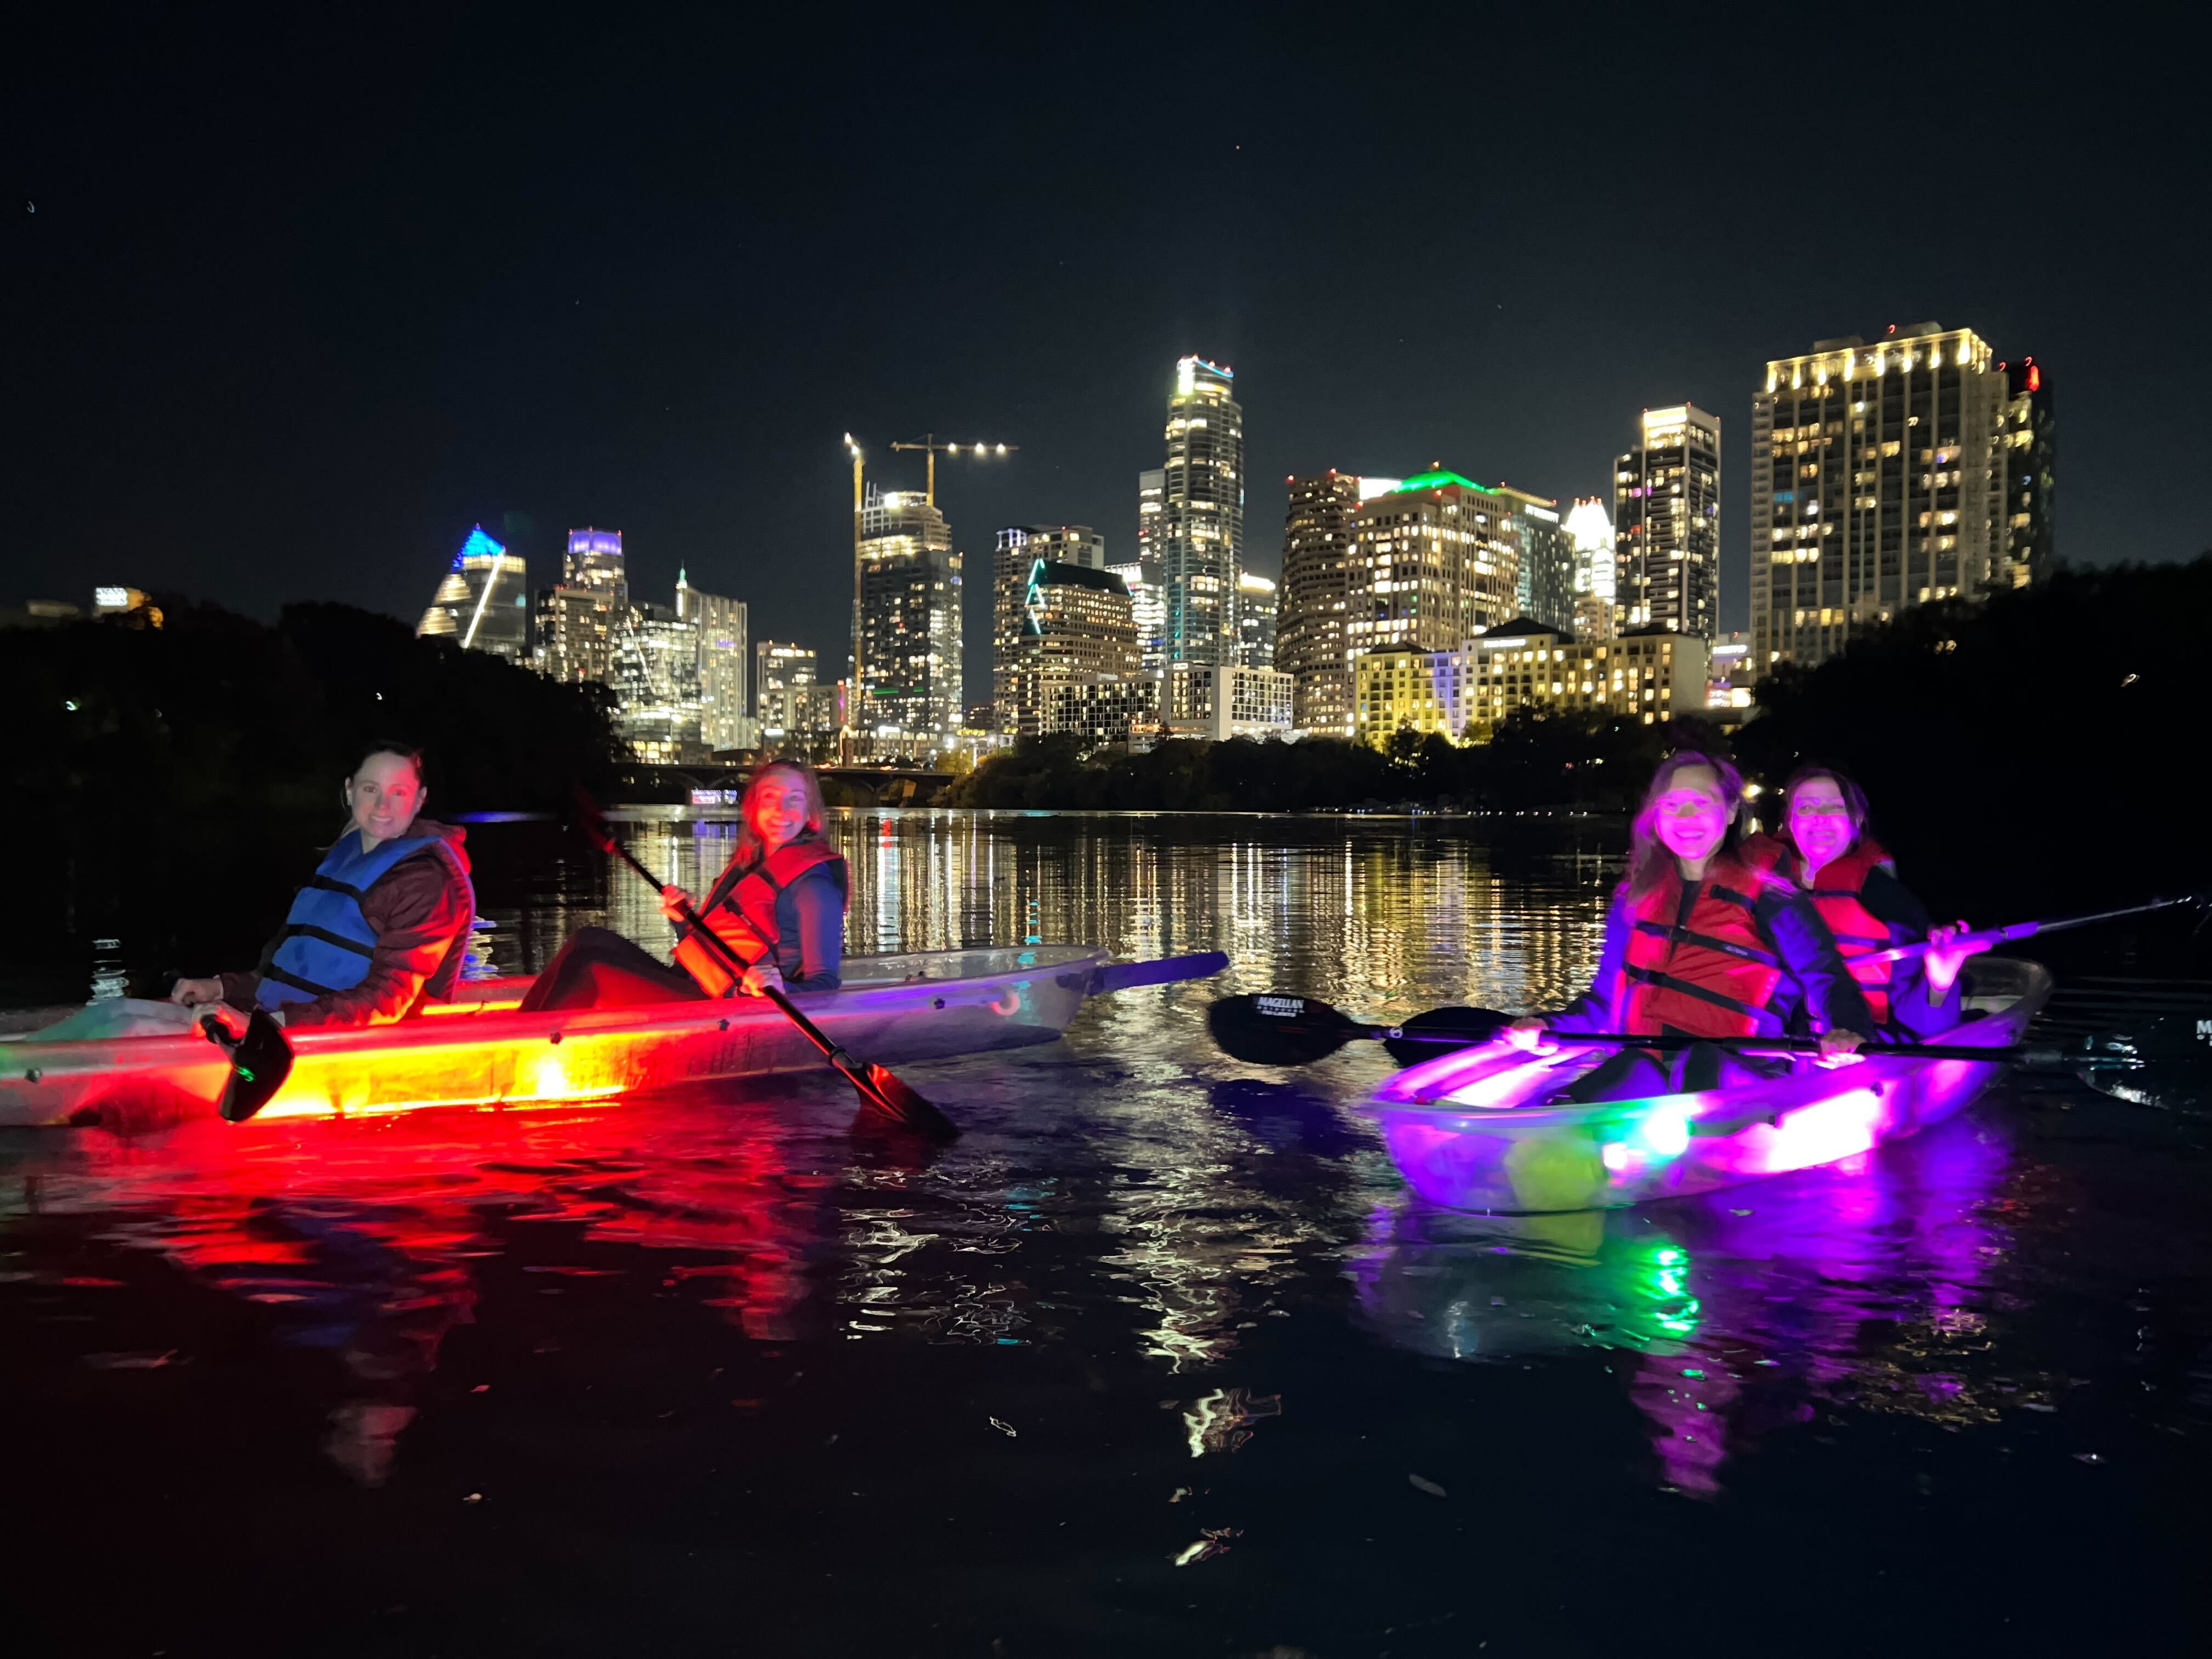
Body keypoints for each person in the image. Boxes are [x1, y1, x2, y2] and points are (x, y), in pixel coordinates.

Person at [29, 742, 475, 1041]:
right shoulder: (344, 856)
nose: (382, 806)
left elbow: (386, 1002)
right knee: (119, 1013)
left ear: (420, 800)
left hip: (344, 1040)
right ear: (349, 790)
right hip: (279, 1025)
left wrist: (263, 1024)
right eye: (371, 789)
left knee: (127, 1026)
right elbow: (283, 976)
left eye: (399, 793)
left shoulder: (426, 881)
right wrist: (221, 989)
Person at [1503, 749, 1878, 1102]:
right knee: (1629, 1068)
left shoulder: (1772, 896)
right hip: (1650, 1066)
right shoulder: (1634, 898)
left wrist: (1848, 1031)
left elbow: (1826, 976)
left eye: (1702, 804)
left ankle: (1706, 1155)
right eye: (1671, 805)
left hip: (1740, 1075)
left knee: (1702, 1061)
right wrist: (1547, 1024)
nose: (1685, 818)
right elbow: (1603, 1002)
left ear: (1731, 811)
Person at [520, 761, 846, 1012]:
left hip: (724, 1005)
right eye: (770, 798)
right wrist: (682, 920)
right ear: (755, 807)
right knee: (588, 939)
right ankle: (524, 1028)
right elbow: (709, 950)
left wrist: (783, 989)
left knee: (591, 967)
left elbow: (827, 985)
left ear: (810, 814)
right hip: (696, 984)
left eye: (795, 799)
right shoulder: (751, 864)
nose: (780, 810)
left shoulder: (814, 886)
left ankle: (528, 1046)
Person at [1739, 763, 1989, 1037]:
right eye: (1806, 808)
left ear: (1856, 820)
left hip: (1863, 1045)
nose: (1820, 818)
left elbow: (1926, 1027)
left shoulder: (1886, 899)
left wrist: (1939, 983)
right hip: (1774, 1046)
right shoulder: (1757, 889)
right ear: (1790, 822)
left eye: (1835, 807)